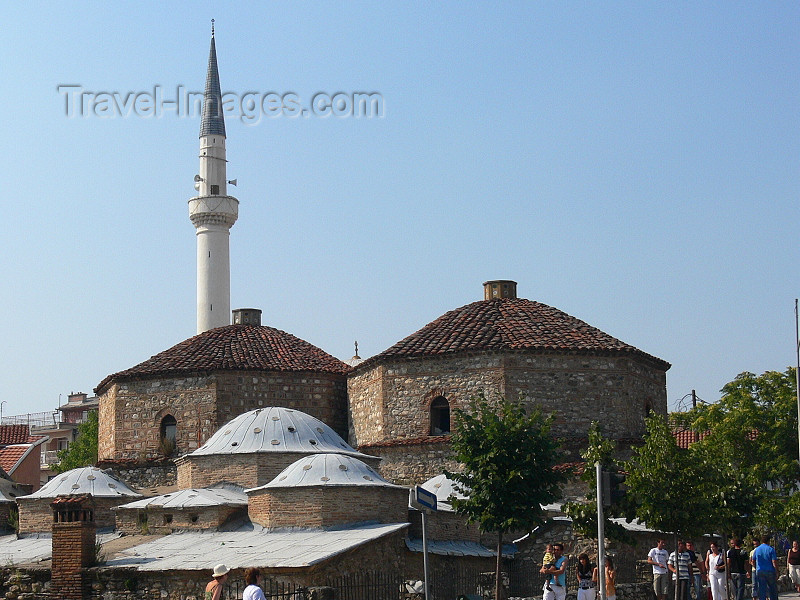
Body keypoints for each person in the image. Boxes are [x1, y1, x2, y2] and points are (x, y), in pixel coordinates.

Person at [751, 535, 778, 600]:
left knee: (762, 589)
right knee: (772, 588)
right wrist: (777, 571)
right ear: (768, 541)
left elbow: (753, 560)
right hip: (770, 570)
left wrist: (756, 567)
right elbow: (774, 561)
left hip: (760, 571)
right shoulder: (771, 549)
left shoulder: (757, 549)